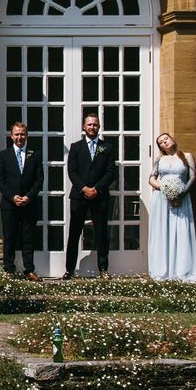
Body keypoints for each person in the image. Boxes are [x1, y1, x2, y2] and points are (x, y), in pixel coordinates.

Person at [64, 113, 118, 279]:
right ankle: (70, 270)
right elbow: (72, 171)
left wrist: (97, 188)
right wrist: (84, 188)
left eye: (95, 124)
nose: (92, 127)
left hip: (100, 196)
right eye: (89, 124)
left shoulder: (107, 147)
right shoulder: (75, 147)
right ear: (83, 126)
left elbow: (111, 172)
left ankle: (103, 269)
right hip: (79, 196)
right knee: (74, 234)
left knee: (101, 233)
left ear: (99, 126)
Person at [144, 133, 196, 282]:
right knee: (162, 231)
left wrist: (181, 193)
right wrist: (165, 188)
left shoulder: (187, 156)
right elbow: (151, 178)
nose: (165, 142)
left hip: (181, 199)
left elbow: (192, 177)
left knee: (181, 231)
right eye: (161, 142)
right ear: (160, 147)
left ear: (173, 139)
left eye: (166, 139)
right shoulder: (159, 159)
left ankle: (183, 271)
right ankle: (162, 270)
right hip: (162, 199)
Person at [0, 121, 43, 280]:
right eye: (17, 134)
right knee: (9, 237)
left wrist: (29, 196)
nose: (19, 137)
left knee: (28, 238)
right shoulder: (4, 155)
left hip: (29, 204)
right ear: (11, 136)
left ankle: (29, 269)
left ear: (26, 135)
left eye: (22, 134)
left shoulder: (35, 154)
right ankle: (9, 269)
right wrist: (12, 196)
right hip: (9, 204)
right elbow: (0, 180)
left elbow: (39, 179)